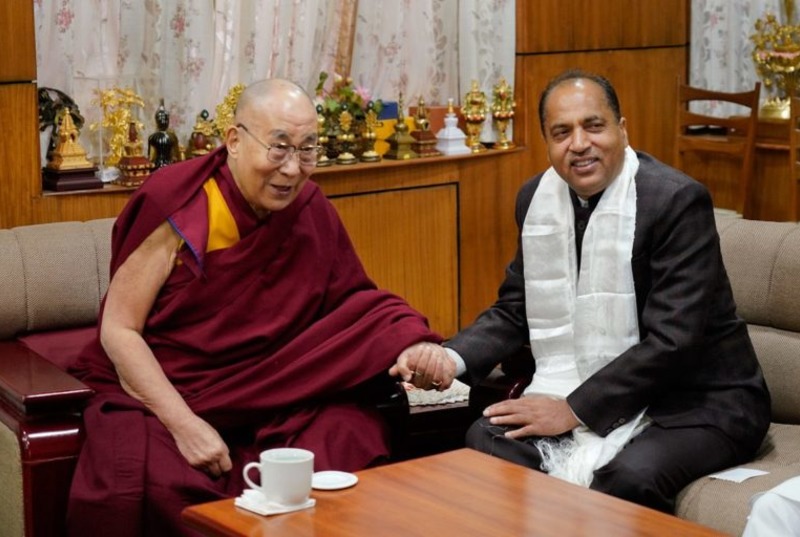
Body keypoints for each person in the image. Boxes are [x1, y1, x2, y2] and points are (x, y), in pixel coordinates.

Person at [66, 78, 442, 537]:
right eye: (279, 147)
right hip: (178, 392)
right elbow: (119, 330)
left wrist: (403, 345)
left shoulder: (309, 207)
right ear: (234, 141)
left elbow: (354, 306)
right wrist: (185, 425)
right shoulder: (180, 203)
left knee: (350, 432)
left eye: (307, 150)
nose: (292, 169)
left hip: (276, 391)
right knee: (152, 478)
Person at [393, 69, 771, 512]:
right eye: (561, 132)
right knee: (487, 440)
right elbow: (517, 309)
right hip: (583, 388)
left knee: (627, 476)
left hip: (697, 400)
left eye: (594, 126)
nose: (579, 143)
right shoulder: (536, 198)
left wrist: (572, 409)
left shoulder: (675, 201)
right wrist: (449, 358)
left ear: (622, 130)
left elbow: (675, 341)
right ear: (547, 143)